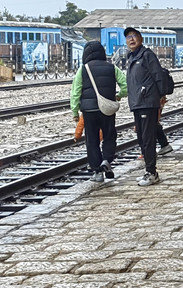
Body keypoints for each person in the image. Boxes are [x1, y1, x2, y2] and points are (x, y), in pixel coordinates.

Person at [70, 41, 126, 183]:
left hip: (89, 111)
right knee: (109, 135)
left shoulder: (83, 69)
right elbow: (125, 86)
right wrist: (119, 95)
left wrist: (75, 112)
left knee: (92, 140)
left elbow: (75, 92)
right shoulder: (112, 68)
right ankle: (106, 160)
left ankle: (97, 172)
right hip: (107, 109)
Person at [124, 26, 170, 185]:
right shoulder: (132, 57)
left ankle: (151, 172)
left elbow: (158, 75)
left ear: (141, 38)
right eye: (128, 37)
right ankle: (148, 171)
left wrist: (161, 96)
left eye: (134, 36)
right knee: (141, 138)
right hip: (137, 103)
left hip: (147, 102)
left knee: (148, 138)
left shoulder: (147, 55)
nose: (131, 39)